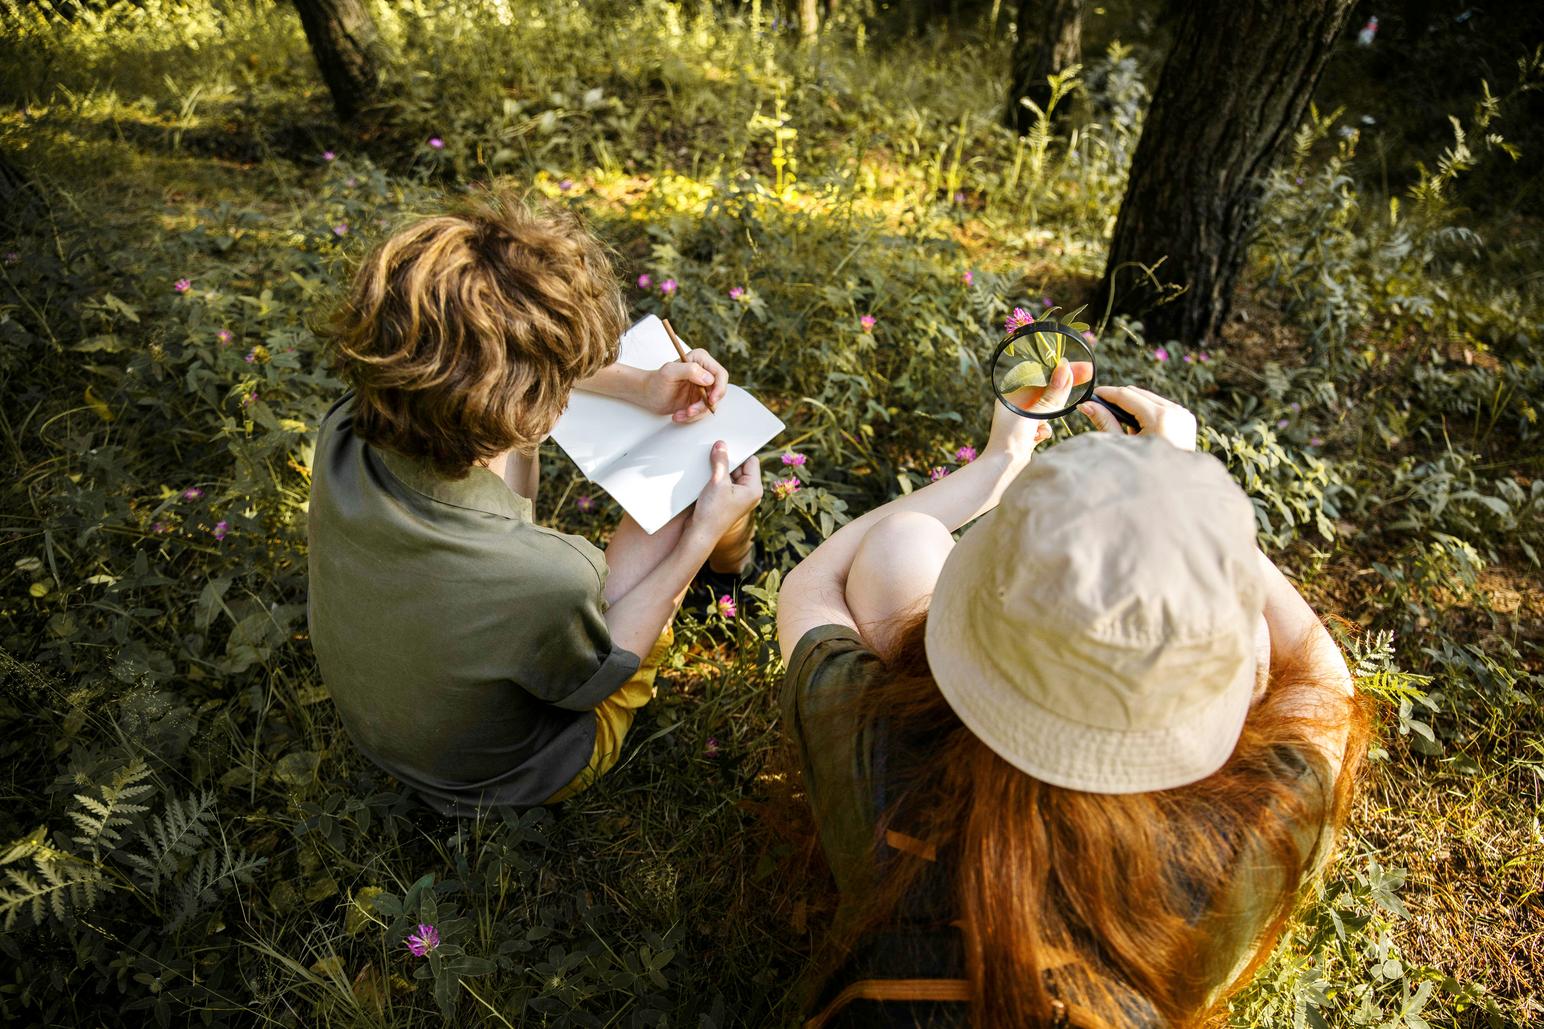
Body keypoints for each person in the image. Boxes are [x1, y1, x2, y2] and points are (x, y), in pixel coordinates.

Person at [776, 366, 1367, 1028]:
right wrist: (1184, 509)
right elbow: (1322, 681)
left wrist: (1000, 464)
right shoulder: (1231, 841)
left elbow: (811, 586)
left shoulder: (879, 756)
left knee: (901, 548)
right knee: (1258, 635)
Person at [307, 191, 762, 815]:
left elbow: (482, 361)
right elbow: (595, 679)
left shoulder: (345, 427)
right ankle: (727, 574)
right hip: (509, 778)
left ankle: (722, 563)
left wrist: (637, 387)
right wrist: (698, 540)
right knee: (693, 492)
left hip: (392, 727)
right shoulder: (550, 575)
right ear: (516, 404)